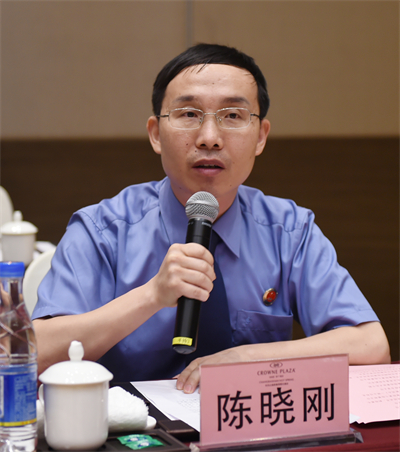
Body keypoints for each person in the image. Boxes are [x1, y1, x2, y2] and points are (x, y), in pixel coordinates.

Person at [32, 43, 390, 393]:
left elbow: (371, 346)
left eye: (232, 116)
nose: (209, 138)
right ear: (156, 134)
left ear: (260, 137)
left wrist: (248, 358)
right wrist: (152, 295)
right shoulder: (102, 230)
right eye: (189, 114)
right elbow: (34, 356)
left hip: (248, 423)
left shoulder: (289, 230)